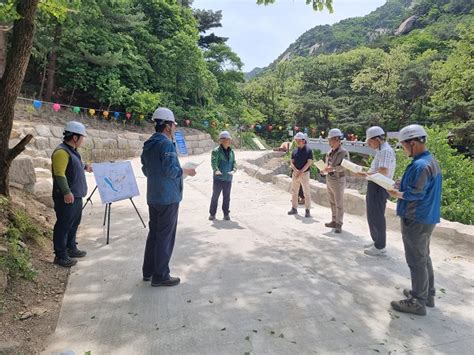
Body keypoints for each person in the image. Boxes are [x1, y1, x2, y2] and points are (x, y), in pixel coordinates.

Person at [388, 124, 442, 316]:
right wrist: (401, 183)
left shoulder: (420, 165)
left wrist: (397, 193)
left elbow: (416, 194)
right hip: (428, 217)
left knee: (416, 260)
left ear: (413, 143)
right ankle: (427, 294)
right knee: (423, 256)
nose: (403, 149)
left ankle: (417, 301)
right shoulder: (429, 161)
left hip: (416, 217)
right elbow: (421, 186)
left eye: (403, 145)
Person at [141, 107, 196, 287]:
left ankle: (148, 271)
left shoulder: (149, 144)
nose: (174, 128)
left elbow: (145, 169)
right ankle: (161, 275)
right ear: (167, 126)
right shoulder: (166, 144)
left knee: (154, 234)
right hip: (168, 197)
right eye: (173, 125)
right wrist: (186, 170)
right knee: (165, 236)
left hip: (154, 196)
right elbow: (171, 170)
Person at [51, 121, 92, 267]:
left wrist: (86, 166)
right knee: (64, 224)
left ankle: (71, 248)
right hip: (67, 197)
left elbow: (77, 164)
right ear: (75, 137)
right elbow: (60, 174)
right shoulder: (61, 152)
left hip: (76, 195)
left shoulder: (73, 151)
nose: (83, 140)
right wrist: (66, 192)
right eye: (82, 137)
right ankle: (61, 255)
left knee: (74, 223)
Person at [358, 126, 396, 256]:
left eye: (370, 142)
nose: (369, 145)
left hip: (380, 186)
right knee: (372, 214)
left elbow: (383, 170)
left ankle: (380, 246)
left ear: (377, 139)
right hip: (375, 184)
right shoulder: (381, 151)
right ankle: (376, 241)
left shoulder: (385, 151)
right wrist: (367, 173)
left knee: (377, 216)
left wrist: (366, 174)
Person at [322, 128, 348, 233]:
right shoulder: (329, 152)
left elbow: (345, 166)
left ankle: (339, 223)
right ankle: (333, 220)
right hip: (329, 178)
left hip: (338, 180)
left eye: (330, 140)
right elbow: (327, 165)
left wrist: (333, 169)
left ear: (336, 139)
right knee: (332, 201)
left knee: (339, 203)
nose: (329, 142)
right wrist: (323, 169)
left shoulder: (343, 152)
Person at [209, 131, 237, 221]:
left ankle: (226, 214)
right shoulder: (216, 151)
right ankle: (212, 214)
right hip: (219, 178)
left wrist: (234, 169)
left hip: (228, 178)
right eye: (228, 140)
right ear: (222, 141)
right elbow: (214, 163)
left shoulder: (231, 151)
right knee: (215, 196)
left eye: (229, 140)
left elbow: (234, 162)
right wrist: (216, 170)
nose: (229, 141)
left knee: (227, 197)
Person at [288, 132, 313, 218]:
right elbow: (291, 162)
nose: (297, 142)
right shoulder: (295, 150)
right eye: (296, 140)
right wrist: (295, 170)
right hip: (295, 173)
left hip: (304, 173)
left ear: (303, 140)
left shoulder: (308, 150)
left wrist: (301, 171)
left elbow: (309, 162)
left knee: (306, 192)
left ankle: (307, 210)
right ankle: (294, 208)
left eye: (299, 140)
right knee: (294, 191)